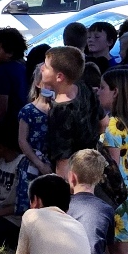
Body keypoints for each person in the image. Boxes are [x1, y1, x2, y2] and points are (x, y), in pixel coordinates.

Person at [97, 67, 128, 254]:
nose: (98, 91)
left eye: (103, 87)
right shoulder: (122, 121)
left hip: (115, 192)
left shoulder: (113, 126)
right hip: (125, 189)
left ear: (115, 92)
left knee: (119, 250)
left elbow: (111, 164)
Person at [41, 46, 105, 179]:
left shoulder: (60, 111)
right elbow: (104, 123)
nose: (41, 68)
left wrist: (64, 191)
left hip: (76, 177)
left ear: (59, 77)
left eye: (46, 66)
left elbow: (63, 161)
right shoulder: (84, 87)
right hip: (94, 163)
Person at [67, 149, 115, 254]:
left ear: (71, 177)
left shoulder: (62, 206)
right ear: (99, 178)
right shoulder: (106, 209)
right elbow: (107, 247)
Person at [0, 28, 29, 127]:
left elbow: (2, 106)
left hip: (7, 124)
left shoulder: (2, 72)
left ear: (10, 53)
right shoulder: (22, 67)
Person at [18, 74, 52, 176]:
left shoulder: (60, 109)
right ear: (38, 83)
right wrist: (40, 164)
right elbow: (22, 141)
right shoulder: (28, 111)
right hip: (32, 165)